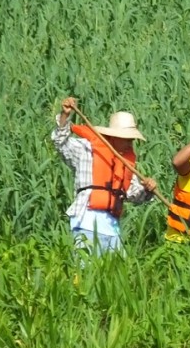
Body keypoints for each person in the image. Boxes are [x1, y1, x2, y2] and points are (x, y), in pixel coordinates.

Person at [52, 96, 157, 254]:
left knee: (116, 275)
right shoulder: (87, 150)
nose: (130, 143)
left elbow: (132, 194)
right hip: (86, 225)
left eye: (131, 139)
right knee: (86, 274)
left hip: (113, 231)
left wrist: (147, 189)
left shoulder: (125, 162)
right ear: (114, 136)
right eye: (127, 138)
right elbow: (61, 143)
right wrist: (65, 116)